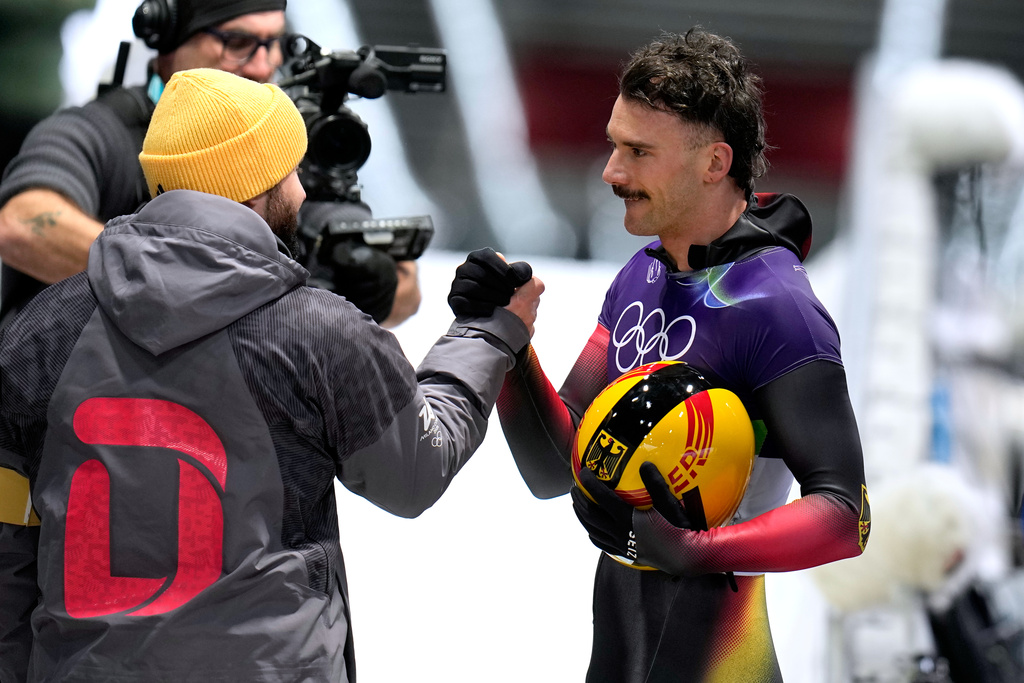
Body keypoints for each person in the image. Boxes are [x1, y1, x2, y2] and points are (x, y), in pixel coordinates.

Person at [0, 67, 541, 681]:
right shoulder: (314, 332)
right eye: (290, 171)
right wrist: (485, 333)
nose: (304, 193)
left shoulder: (41, 328)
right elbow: (415, 471)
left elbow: (10, 554)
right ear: (256, 188)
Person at [496, 28, 870, 682]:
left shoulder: (777, 307)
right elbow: (558, 469)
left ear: (714, 163)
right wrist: (507, 343)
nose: (611, 171)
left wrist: (698, 550)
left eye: (637, 152)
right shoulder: (640, 275)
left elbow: (846, 515)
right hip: (620, 630)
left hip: (720, 647)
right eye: (614, 144)